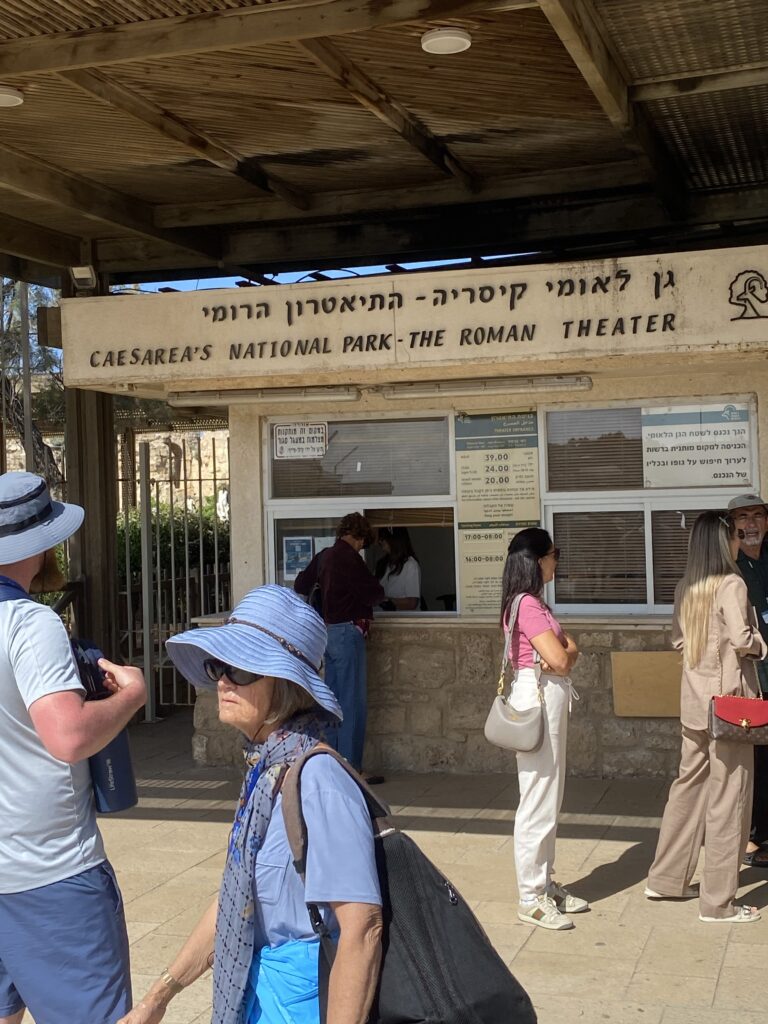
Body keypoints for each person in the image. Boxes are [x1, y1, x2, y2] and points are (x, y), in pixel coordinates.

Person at [119, 585, 382, 1024]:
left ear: (283, 685)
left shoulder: (317, 780)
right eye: (220, 665)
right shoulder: (266, 771)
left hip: (302, 1004)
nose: (223, 680)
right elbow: (238, 900)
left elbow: (362, 928)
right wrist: (157, 998)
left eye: (241, 670)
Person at [0, 471, 147, 1024]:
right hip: (50, 878)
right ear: (41, 545)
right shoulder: (30, 624)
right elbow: (69, 736)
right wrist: (131, 696)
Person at [646, 511, 766, 923]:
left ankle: (665, 879)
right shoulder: (732, 584)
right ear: (722, 541)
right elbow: (743, 639)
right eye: (735, 534)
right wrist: (762, 644)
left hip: (695, 702)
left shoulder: (686, 587)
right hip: (731, 705)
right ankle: (718, 902)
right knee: (730, 800)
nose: (741, 538)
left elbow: (679, 640)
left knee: (688, 789)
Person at [499, 527, 586, 931]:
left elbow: (566, 652)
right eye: (554, 554)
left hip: (542, 694)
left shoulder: (530, 603)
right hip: (538, 697)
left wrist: (565, 650)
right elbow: (563, 656)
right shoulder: (530, 606)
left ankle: (544, 883)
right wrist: (565, 649)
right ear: (537, 560)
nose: (557, 561)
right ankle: (531, 897)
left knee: (548, 795)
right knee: (538, 798)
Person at [294, 513, 384, 773]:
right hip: (347, 633)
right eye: (361, 543)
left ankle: (329, 760)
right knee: (352, 701)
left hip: (327, 634)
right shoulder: (349, 558)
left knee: (331, 699)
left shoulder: (325, 555)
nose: (361, 548)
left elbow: (301, 583)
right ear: (358, 536)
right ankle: (351, 767)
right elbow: (375, 593)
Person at [727, 493, 768, 867]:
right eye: (743, 517)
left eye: (758, 516)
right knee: (752, 762)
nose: (751, 524)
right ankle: (749, 839)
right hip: (750, 680)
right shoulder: (728, 568)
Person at [376, 527, 421, 611]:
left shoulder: (410, 565)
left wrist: (387, 601)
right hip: (380, 618)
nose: (379, 541)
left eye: (383, 538)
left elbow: (412, 603)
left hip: (401, 620)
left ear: (395, 539)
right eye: (380, 538)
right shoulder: (382, 564)